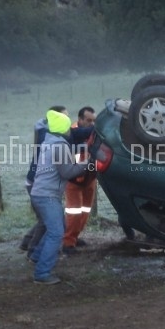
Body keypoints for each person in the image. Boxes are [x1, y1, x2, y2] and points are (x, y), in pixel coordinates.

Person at [29, 110, 89, 285]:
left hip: (39, 194)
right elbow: (68, 172)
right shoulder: (60, 146)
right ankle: (42, 273)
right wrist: (87, 164)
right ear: (64, 129)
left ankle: (36, 256)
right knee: (56, 233)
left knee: (55, 227)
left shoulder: (50, 142)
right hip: (48, 196)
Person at [20, 105, 67, 257]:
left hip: (36, 181)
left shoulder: (45, 132)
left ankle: (28, 243)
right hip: (37, 182)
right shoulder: (48, 134)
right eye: (65, 117)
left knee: (47, 220)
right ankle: (33, 251)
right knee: (46, 222)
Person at [62, 106, 97, 254]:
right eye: (88, 120)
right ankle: (67, 243)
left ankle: (75, 237)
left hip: (90, 179)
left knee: (85, 211)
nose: (91, 123)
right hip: (74, 181)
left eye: (93, 121)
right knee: (74, 213)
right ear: (80, 119)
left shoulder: (95, 133)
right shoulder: (71, 133)